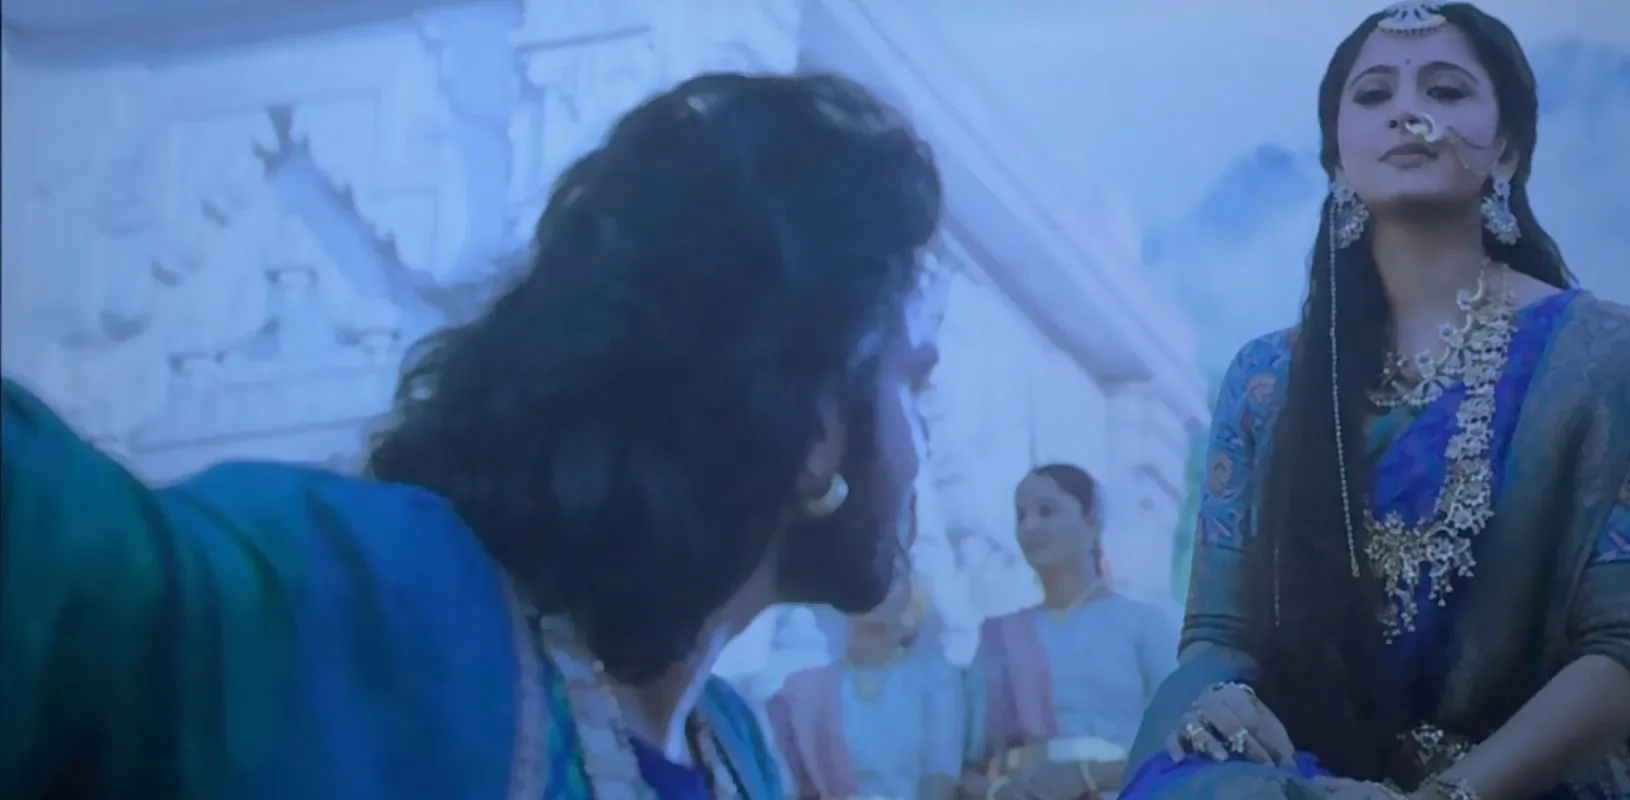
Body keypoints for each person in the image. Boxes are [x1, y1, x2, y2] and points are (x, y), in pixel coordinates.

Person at [1, 72, 944, 800]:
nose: (922, 446)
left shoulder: (739, 752)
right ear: (815, 428)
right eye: (912, 386)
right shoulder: (369, 599)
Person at [1118, 2, 1630, 797]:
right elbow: (1219, 635)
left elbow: (1626, 655)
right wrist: (1222, 701)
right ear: (1338, 158)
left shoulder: (1608, 362)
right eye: (1374, 95)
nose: (1407, 112)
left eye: (1445, 90)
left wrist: (1449, 795)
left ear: (1506, 149)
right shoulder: (1267, 380)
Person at [965, 464, 1179, 799]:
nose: (1029, 526)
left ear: (1091, 522)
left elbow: (1181, 742)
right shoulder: (1000, 638)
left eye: (1046, 511)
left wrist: (1087, 774)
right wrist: (1001, 791)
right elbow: (968, 771)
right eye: (1021, 516)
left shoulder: (1143, 625)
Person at [765, 576, 965, 799]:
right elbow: (786, 784)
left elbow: (940, 771)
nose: (874, 599)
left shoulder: (935, 678)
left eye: (887, 583)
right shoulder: (804, 688)